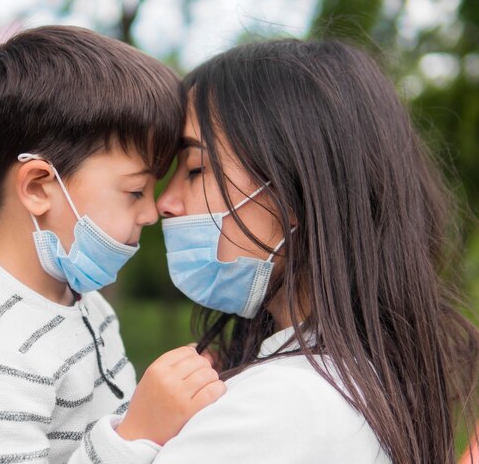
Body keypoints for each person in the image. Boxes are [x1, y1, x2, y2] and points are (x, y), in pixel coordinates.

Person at [93, 39, 479, 463]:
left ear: (294, 192)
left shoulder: (281, 407)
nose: (165, 203)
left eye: (197, 168)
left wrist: (130, 439)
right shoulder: (361, 382)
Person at [0, 26, 225, 463]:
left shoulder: (79, 299)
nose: (152, 211)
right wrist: (134, 434)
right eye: (134, 191)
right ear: (38, 187)